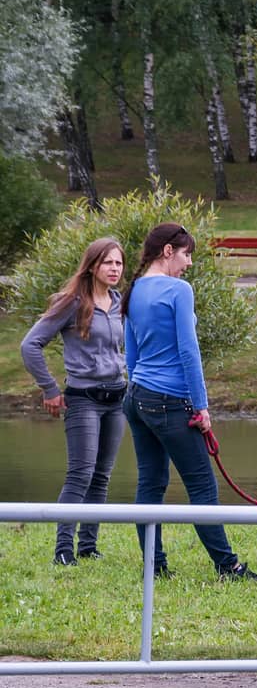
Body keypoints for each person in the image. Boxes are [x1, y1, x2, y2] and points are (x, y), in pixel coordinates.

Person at [122, 222, 257, 581]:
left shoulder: (135, 288)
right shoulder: (178, 290)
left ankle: (154, 567)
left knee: (150, 483)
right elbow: (189, 351)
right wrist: (201, 406)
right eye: (186, 254)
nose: (188, 263)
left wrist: (141, 390)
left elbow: (132, 354)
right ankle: (228, 567)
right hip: (170, 401)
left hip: (137, 396)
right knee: (202, 486)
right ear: (168, 251)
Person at [20, 238, 128, 566]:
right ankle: (63, 550)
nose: (114, 269)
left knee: (102, 475)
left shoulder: (120, 301)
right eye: (108, 263)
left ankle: (88, 547)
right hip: (83, 399)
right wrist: (51, 389)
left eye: (119, 263)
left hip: (118, 398)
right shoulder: (71, 303)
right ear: (92, 265)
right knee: (80, 473)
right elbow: (30, 345)